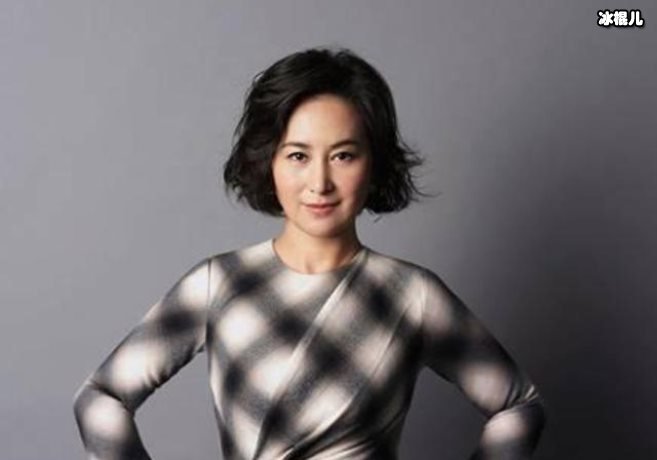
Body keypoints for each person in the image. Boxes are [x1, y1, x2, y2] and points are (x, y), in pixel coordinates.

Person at [73, 46, 546, 460]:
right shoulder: (221, 284)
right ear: (268, 162)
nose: (320, 183)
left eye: (343, 156)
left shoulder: (409, 294)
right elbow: (100, 399)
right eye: (298, 155)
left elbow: (519, 406)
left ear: (374, 165)